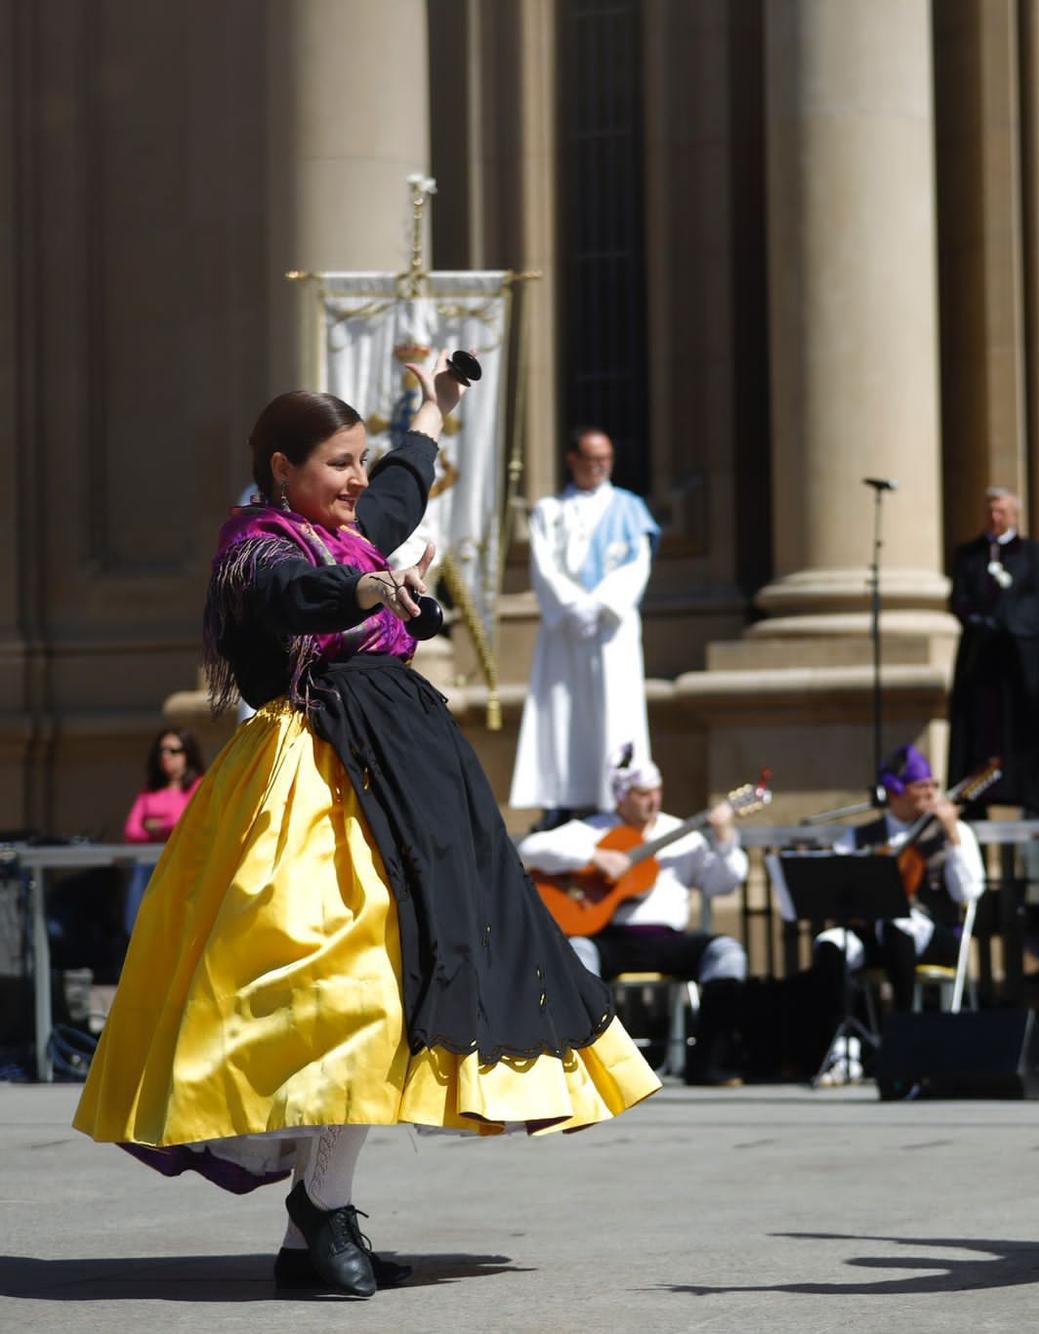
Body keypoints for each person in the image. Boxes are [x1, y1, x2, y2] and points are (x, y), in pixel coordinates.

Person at [73, 365, 658, 1298]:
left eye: (355, 462)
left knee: (399, 990)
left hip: (410, 772)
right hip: (313, 778)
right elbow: (292, 599)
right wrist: (368, 595)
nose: (355, 481)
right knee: (347, 992)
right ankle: (321, 1210)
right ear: (281, 468)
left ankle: (320, 1219)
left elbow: (401, 481)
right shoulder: (256, 545)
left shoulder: (348, 528)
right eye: (336, 465)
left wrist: (432, 410)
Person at [517, 756, 751, 1084]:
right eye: (642, 794)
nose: (652, 800)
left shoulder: (681, 833)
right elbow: (531, 847)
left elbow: (722, 883)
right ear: (621, 796)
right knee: (577, 954)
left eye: (656, 791)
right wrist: (594, 857)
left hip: (670, 940)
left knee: (727, 953)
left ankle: (711, 1062)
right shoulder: (593, 830)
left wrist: (725, 839)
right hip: (611, 938)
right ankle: (588, 1064)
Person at [510, 427, 660, 824]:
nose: (599, 467)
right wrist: (573, 606)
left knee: (616, 708)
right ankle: (564, 799)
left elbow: (637, 563)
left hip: (613, 630)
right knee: (563, 710)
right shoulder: (550, 510)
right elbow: (543, 564)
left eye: (606, 459)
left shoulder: (629, 508)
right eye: (592, 459)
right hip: (565, 630)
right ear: (572, 459)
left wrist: (602, 605)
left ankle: (616, 798)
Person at [810, 746, 985, 1085]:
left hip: (932, 932)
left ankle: (902, 1043)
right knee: (830, 945)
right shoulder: (860, 837)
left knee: (898, 927)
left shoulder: (953, 832)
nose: (932, 792)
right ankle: (845, 1051)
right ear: (895, 791)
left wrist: (951, 834)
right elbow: (839, 890)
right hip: (874, 932)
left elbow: (968, 893)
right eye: (922, 786)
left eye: (934, 785)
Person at [946, 487, 1039, 815]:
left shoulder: (1032, 553)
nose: (996, 518)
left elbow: (1036, 599)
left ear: (1014, 515)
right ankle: (975, 797)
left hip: (1020, 660)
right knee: (980, 729)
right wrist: (982, 621)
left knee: (1023, 729)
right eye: (991, 512)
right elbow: (960, 599)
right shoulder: (970, 554)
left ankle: (1031, 797)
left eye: (1002, 512)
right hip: (981, 658)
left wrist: (1009, 621)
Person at [119, 728, 205, 934]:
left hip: (184, 865)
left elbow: (189, 824)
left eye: (173, 751)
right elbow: (131, 832)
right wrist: (169, 827)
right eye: (161, 751)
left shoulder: (198, 786)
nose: (165, 756)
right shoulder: (151, 790)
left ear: (187, 755)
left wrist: (155, 825)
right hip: (151, 865)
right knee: (141, 876)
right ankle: (138, 932)